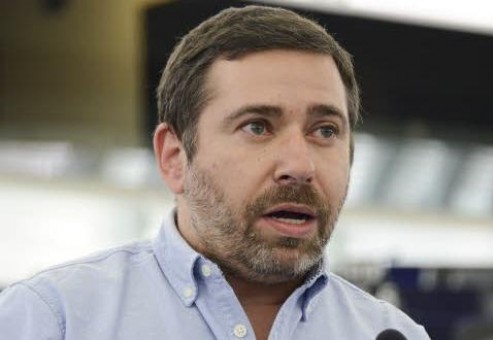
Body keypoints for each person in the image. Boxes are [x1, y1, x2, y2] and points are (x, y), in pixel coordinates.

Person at [0, 5, 430, 340]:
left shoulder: (393, 334)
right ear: (174, 158)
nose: (300, 166)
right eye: (257, 126)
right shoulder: (50, 320)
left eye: (325, 130)